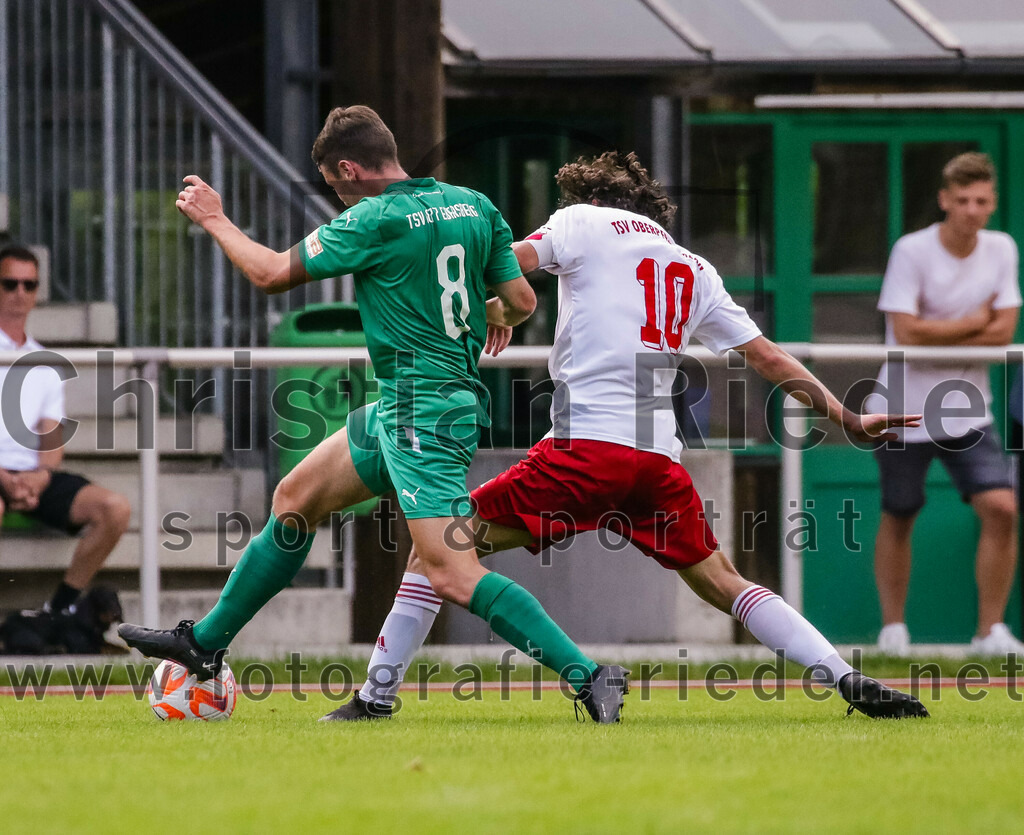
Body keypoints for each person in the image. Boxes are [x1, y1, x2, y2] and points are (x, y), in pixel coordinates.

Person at [322, 150, 929, 722]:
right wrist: (846, 418)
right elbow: (769, 358)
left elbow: (503, 266)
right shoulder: (695, 267)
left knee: (439, 550)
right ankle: (844, 675)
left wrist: (490, 309)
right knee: (725, 582)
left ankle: (377, 697)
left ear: (592, 198)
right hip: (656, 464)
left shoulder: (581, 222)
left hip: (584, 453)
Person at [118, 106, 629, 723]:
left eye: (334, 185)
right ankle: (204, 643)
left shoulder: (373, 218)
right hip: (406, 406)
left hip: (425, 416)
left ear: (349, 168)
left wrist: (214, 218)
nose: (337, 198)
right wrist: (487, 316)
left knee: (452, 573)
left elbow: (270, 272)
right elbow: (521, 300)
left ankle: (589, 676)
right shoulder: (472, 205)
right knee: (295, 499)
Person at [868, 152, 1024, 657]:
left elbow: (1004, 331)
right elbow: (906, 332)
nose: (972, 210)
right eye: (962, 200)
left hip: (969, 411)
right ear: (944, 200)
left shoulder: (1002, 248)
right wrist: (975, 323)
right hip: (900, 410)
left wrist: (946, 331)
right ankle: (893, 631)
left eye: (981, 201)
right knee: (900, 512)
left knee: (1002, 509)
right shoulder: (911, 250)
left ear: (992, 203)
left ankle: (989, 632)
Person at [0, 244, 132, 616]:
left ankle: (57, 611)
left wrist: (40, 477)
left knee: (115, 509)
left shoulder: (44, 361)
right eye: (10, 284)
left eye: (29, 285)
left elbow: (51, 435)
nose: (20, 293)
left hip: (32, 475)